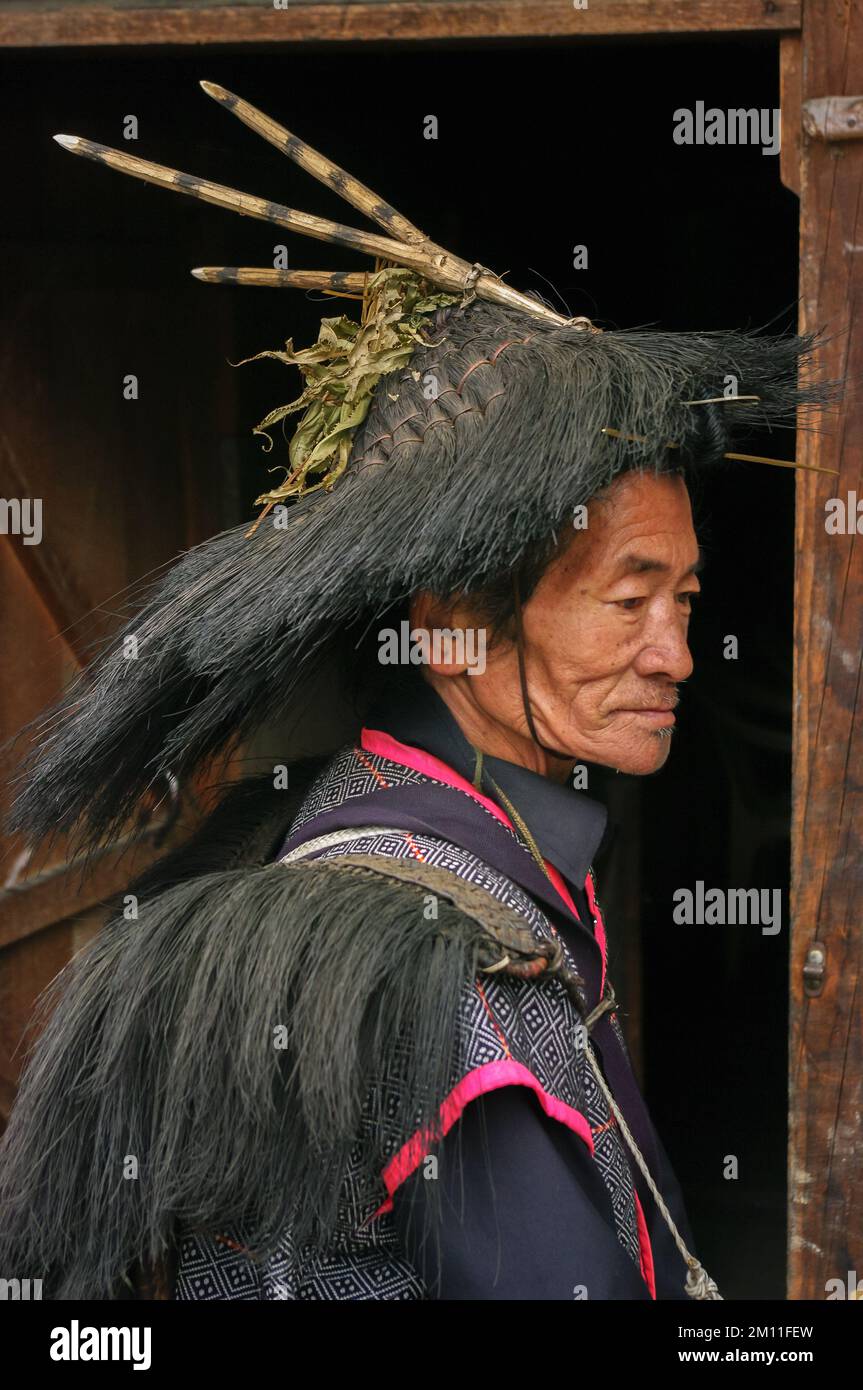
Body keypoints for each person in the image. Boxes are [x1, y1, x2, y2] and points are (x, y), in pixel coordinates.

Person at [0, 84, 833, 1302]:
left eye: (688, 599)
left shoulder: (437, 839)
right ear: (451, 629)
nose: (674, 652)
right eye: (627, 596)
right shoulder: (426, 970)